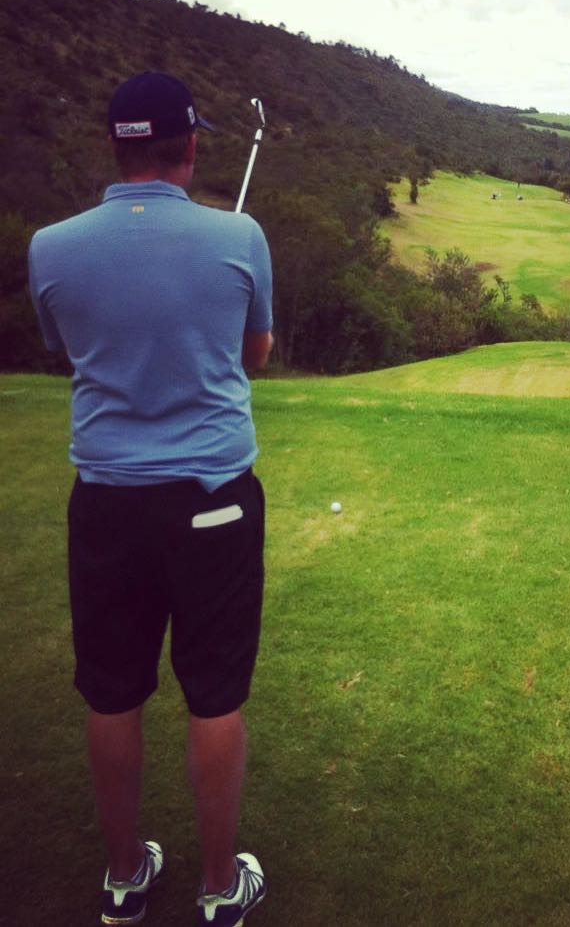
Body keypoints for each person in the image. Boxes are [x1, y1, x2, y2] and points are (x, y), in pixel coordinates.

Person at [28, 72, 273, 927]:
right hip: (214, 503)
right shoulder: (240, 235)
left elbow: (66, 347)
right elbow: (256, 356)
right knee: (215, 695)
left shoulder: (49, 246)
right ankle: (219, 888)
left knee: (113, 692)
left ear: (115, 146)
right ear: (191, 145)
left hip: (107, 505)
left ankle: (126, 877)